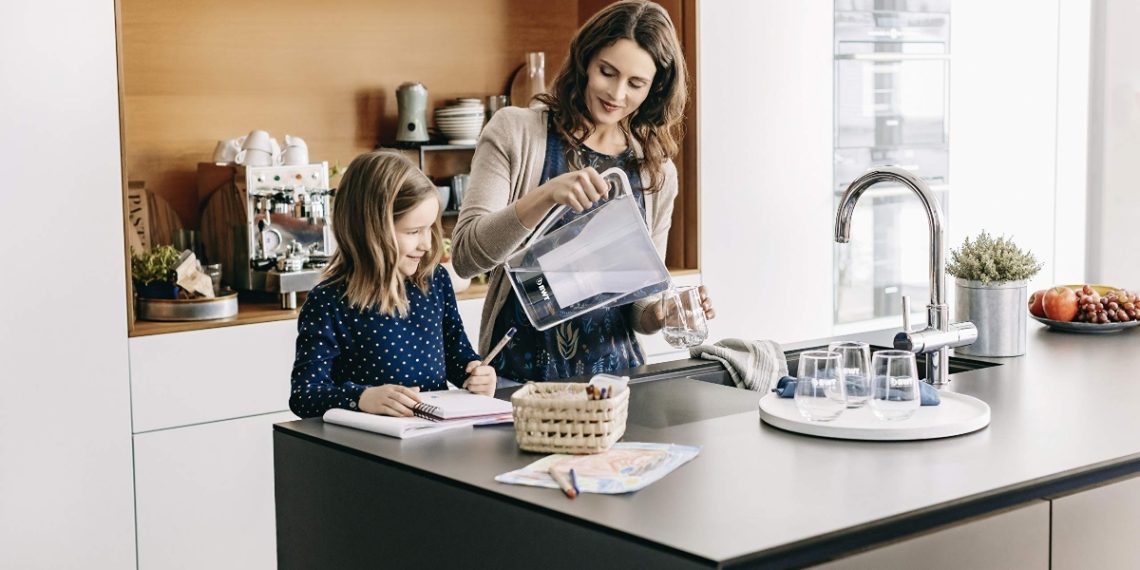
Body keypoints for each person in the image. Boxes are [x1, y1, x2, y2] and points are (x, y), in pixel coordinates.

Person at [451, 0, 714, 382]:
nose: (617, 94)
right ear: (585, 61)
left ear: (655, 89)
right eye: (607, 72)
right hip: (517, 378)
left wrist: (660, 314)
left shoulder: (655, 172)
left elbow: (637, 303)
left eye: (636, 84)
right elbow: (466, 258)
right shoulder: (515, 132)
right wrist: (544, 196)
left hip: (614, 384)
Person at [289, 151, 496, 419]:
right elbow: (305, 395)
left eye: (429, 229)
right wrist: (361, 398)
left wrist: (476, 372)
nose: (427, 244)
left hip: (434, 436)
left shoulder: (435, 282)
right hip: (369, 448)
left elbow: (457, 355)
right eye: (413, 232)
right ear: (371, 231)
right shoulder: (328, 302)